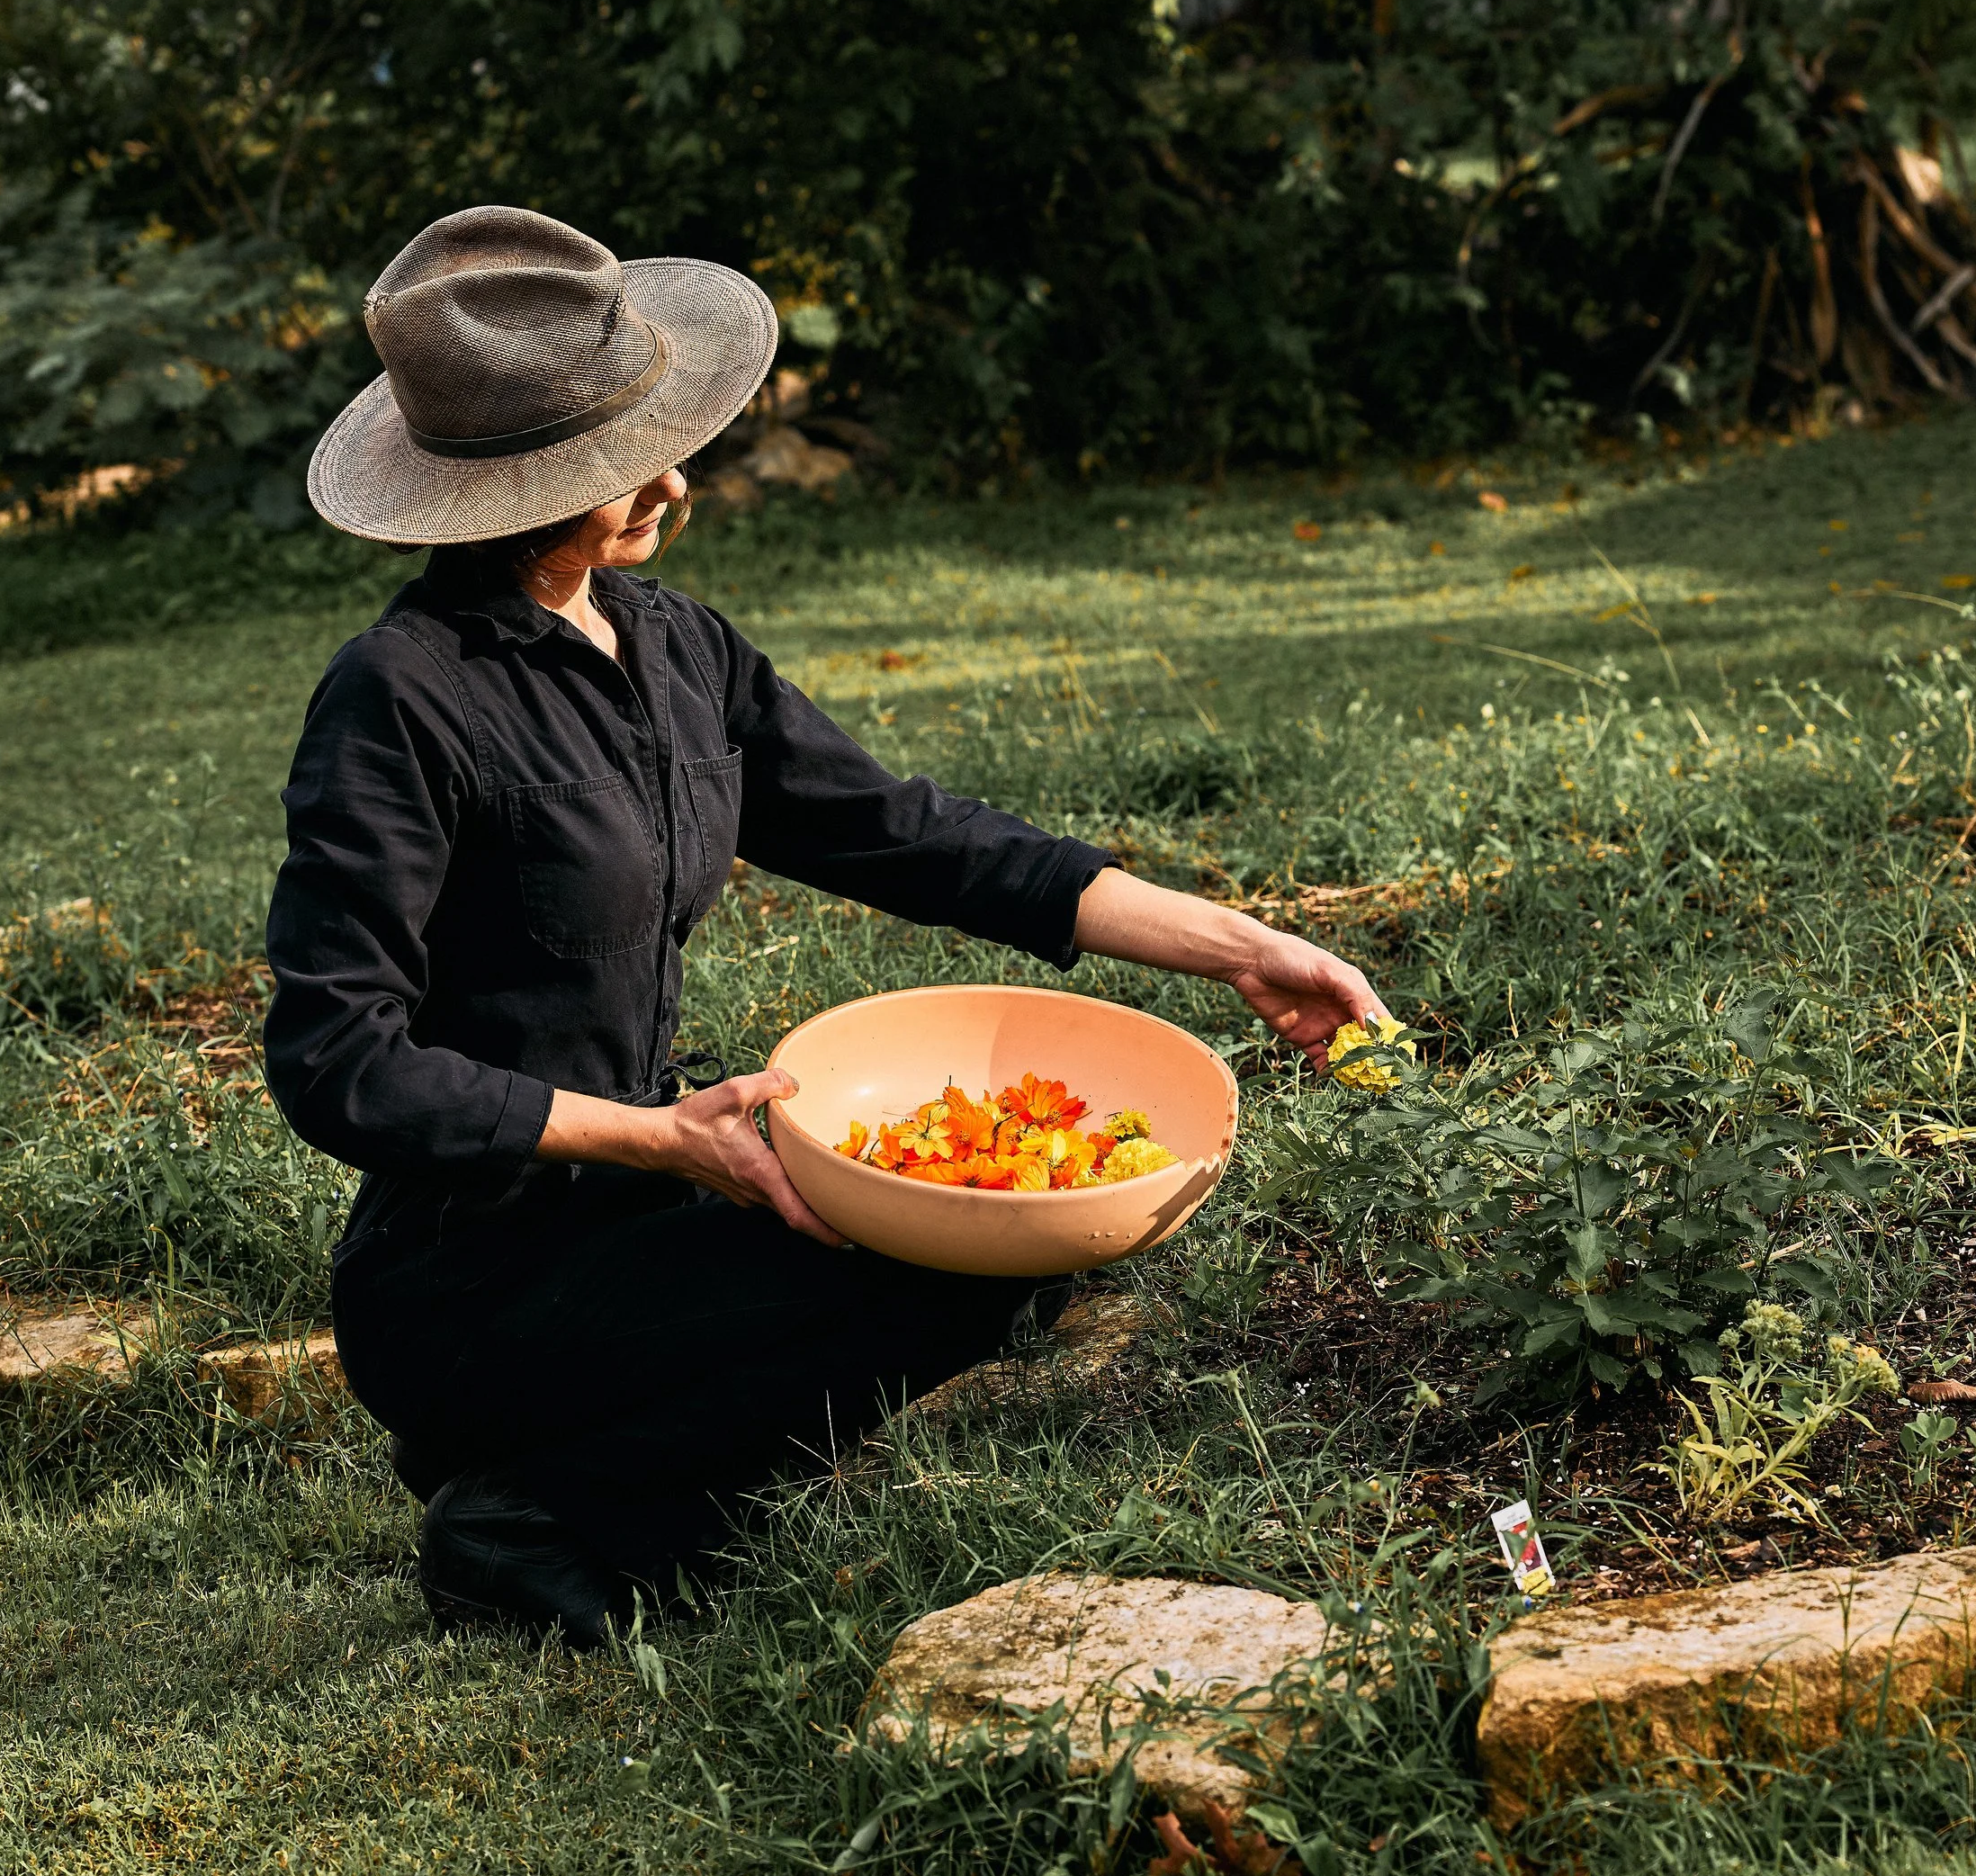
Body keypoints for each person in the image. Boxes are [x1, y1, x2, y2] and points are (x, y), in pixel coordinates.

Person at [264, 207, 1389, 1647]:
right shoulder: (401, 695)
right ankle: (522, 1521)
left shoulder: (677, 648)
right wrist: (665, 1139)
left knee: (996, 1238)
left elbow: (913, 837)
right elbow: (334, 1058)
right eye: (613, 466)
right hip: (464, 1278)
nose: (672, 478)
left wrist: (1242, 946)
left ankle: (592, 1472)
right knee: (912, 1278)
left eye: (655, 436)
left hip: (636, 1202)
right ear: (503, 491)